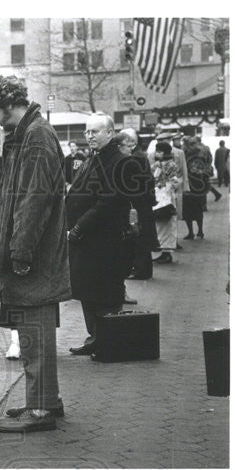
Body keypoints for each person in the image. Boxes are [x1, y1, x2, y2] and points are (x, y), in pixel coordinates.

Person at [0, 76, 70, 432]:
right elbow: (22, 187)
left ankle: (41, 408)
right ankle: (46, 401)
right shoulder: (28, 134)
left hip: (34, 256)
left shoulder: (36, 137)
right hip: (31, 252)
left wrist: (20, 251)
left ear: (9, 102)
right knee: (32, 332)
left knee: (35, 332)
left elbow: (35, 199)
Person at [65, 113, 137, 358]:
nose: (89, 136)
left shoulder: (120, 162)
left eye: (94, 131)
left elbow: (109, 202)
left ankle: (107, 340)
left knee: (105, 292)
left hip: (105, 240)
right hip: (86, 240)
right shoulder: (91, 159)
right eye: (87, 132)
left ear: (110, 132)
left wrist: (79, 226)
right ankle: (95, 337)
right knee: (87, 291)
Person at [118, 127, 156, 281]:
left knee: (139, 235)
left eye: (124, 143)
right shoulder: (140, 156)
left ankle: (141, 269)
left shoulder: (135, 159)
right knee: (142, 235)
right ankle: (143, 268)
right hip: (143, 201)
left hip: (139, 203)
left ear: (132, 143)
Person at [152, 141, 181, 264]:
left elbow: (174, 182)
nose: (156, 153)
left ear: (163, 152)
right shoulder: (158, 164)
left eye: (158, 151)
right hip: (160, 196)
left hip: (166, 197)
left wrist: (163, 187)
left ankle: (167, 253)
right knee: (160, 224)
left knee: (167, 225)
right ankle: (163, 251)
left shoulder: (171, 165)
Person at [182, 136, 209, 240]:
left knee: (188, 210)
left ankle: (192, 232)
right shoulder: (200, 154)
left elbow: (193, 170)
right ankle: (199, 231)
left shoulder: (188, 155)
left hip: (191, 185)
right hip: (198, 186)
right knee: (197, 209)